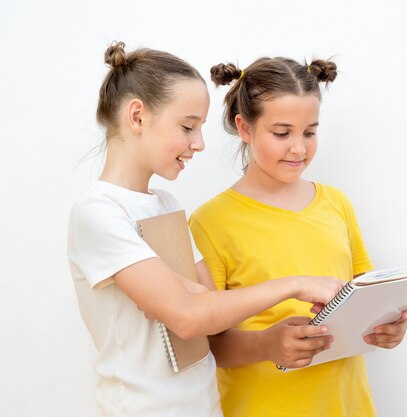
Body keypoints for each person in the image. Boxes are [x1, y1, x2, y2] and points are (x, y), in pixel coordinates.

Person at [67, 42, 344, 417]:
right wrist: (295, 284)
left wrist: (197, 302)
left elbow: (210, 318)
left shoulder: (166, 205)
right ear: (137, 117)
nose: (198, 144)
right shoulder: (98, 213)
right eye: (187, 127)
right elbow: (190, 316)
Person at [189, 57, 407, 417]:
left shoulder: (336, 204)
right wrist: (266, 344)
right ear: (244, 127)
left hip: (346, 404)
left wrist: (387, 327)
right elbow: (206, 344)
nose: (298, 148)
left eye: (309, 132)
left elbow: (363, 295)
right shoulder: (210, 222)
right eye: (282, 133)